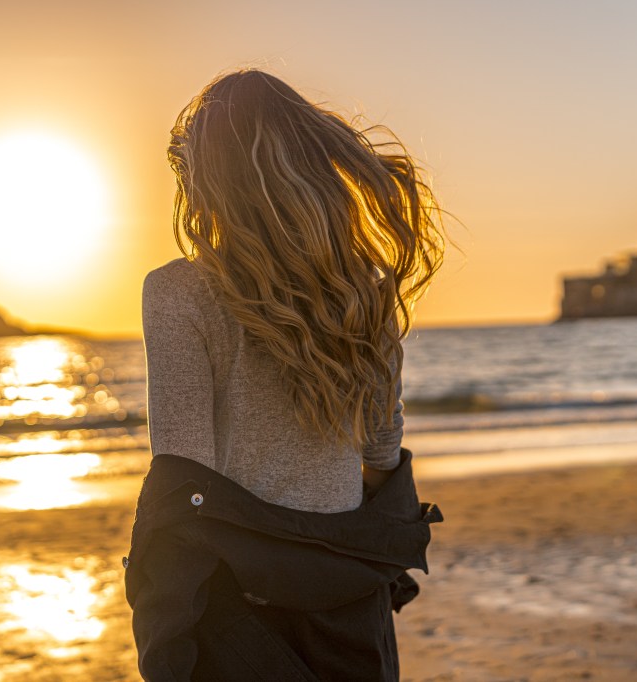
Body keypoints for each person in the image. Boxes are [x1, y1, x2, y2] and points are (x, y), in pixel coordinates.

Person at [125, 69, 445, 681]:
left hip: (241, 612)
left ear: (208, 179)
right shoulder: (360, 292)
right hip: (350, 605)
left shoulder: (178, 292)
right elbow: (380, 453)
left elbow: (182, 473)